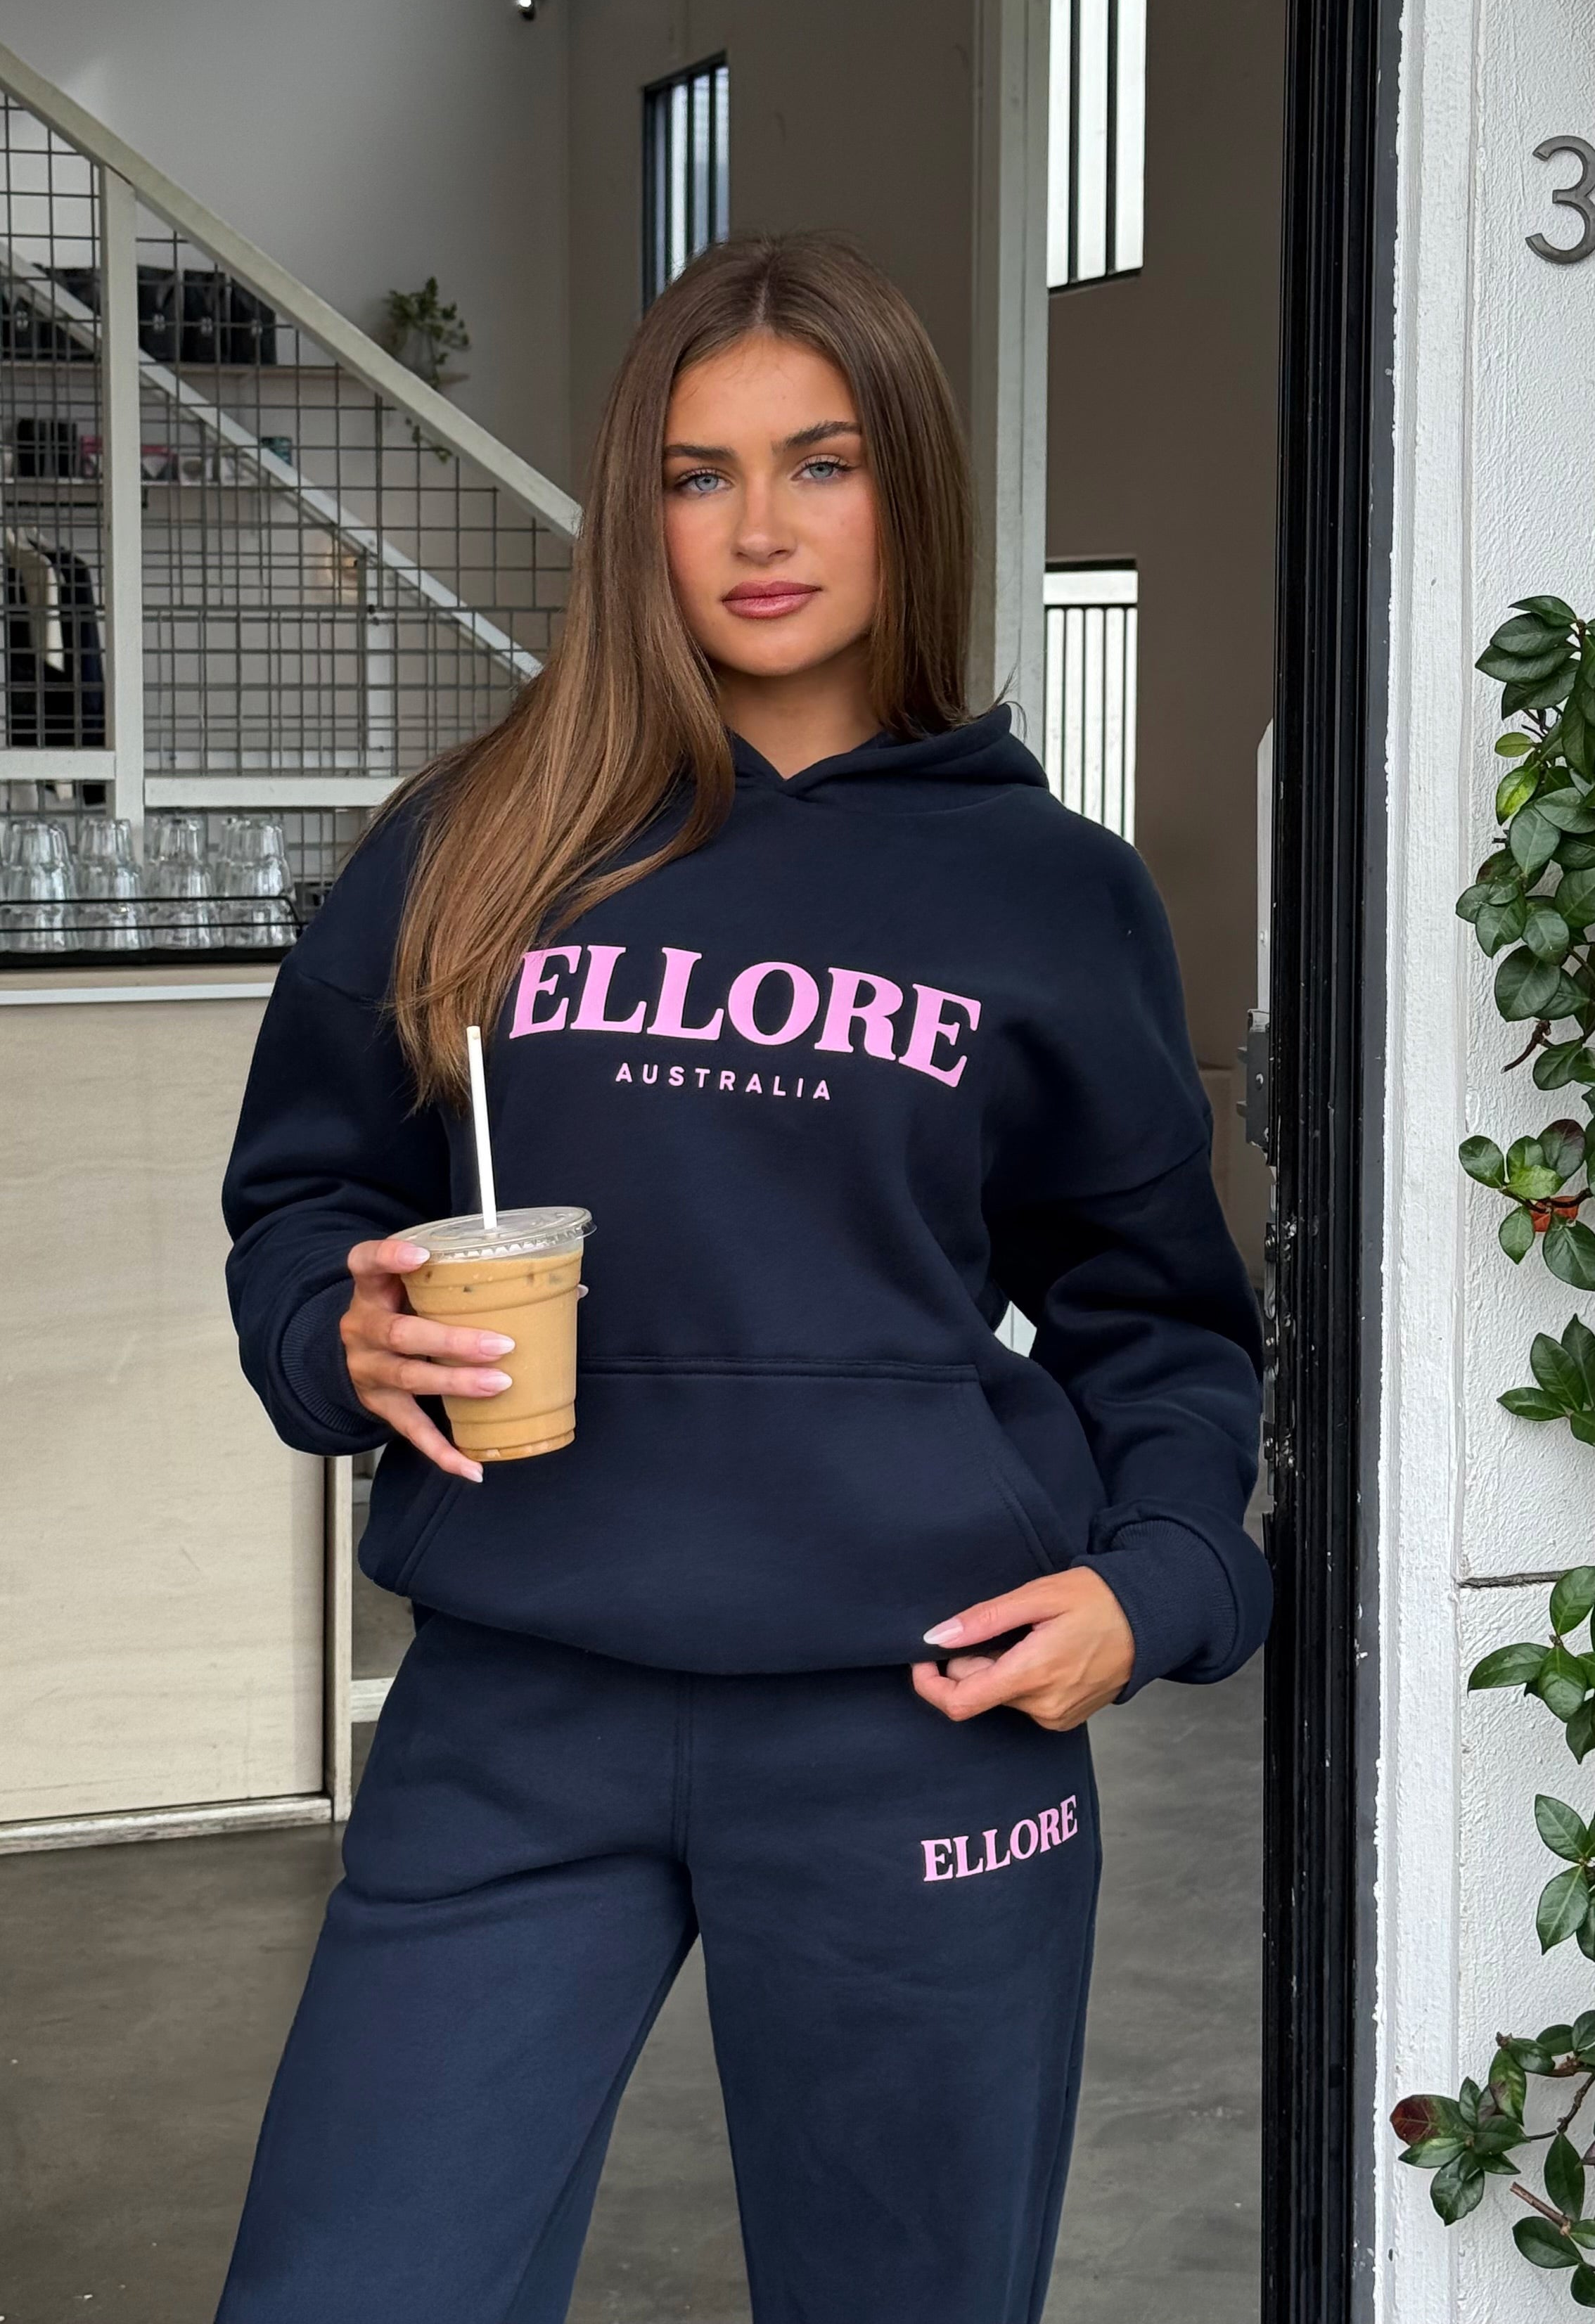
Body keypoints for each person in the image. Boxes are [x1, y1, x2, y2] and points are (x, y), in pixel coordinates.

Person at [216, 232, 1269, 2324]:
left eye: (822, 462)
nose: (759, 529)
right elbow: (305, 1194)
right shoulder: (484, 836)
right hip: (515, 1710)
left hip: (922, 1716)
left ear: (910, 491)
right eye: (698, 475)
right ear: (639, 513)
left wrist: (1159, 1584)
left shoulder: (1049, 893)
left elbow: (1153, 1314)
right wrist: (338, 1327)